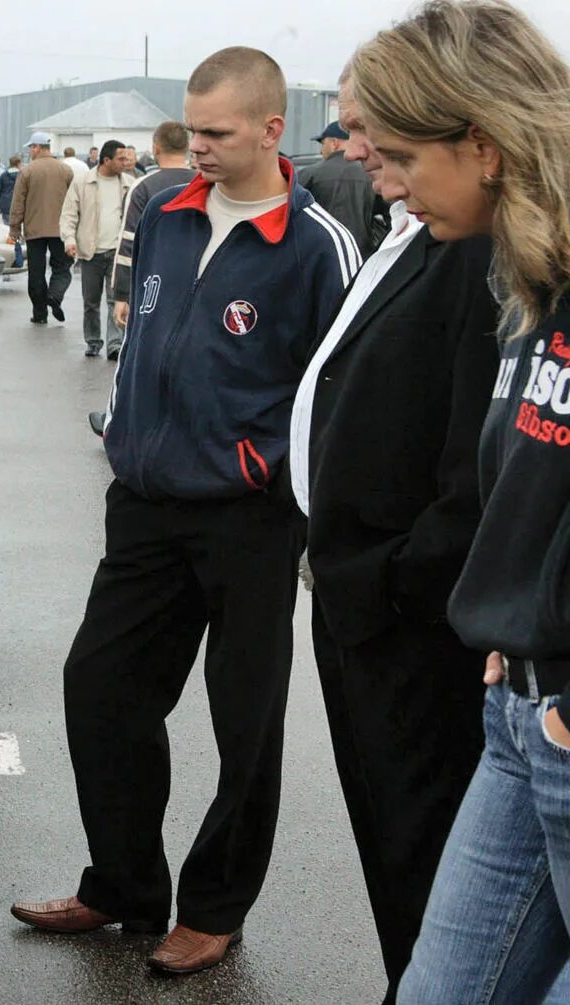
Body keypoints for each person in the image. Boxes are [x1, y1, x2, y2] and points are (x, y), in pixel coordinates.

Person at [11, 46, 357, 976]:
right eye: (191, 130)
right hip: (147, 506)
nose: (195, 148)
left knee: (246, 724)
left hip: (249, 518)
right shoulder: (161, 210)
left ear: (271, 130)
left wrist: (265, 466)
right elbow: (140, 337)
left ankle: (213, 907)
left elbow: (341, 393)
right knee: (101, 690)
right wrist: (126, 431)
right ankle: (123, 885)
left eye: (216, 133)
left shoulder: (318, 244)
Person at [346, 3, 570, 1001]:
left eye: (396, 153)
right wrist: (512, 609)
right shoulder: (531, 282)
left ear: (479, 142)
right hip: (515, 711)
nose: (380, 178)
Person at [292, 68, 497, 1005]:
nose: (359, 145)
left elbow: (477, 472)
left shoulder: (474, 250)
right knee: (392, 842)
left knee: (429, 857)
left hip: (408, 618)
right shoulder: (417, 230)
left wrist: (388, 585)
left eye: (378, 129)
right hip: (363, 597)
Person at [87, 120, 199, 436]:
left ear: (156, 148)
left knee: (135, 356)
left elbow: (128, 245)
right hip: (196, 282)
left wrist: (121, 295)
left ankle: (116, 420)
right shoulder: (205, 181)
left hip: (152, 286)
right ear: (188, 147)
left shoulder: (144, 187)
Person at [60, 139, 138, 358]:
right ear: (107, 160)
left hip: (118, 252)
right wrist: (69, 239)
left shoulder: (130, 184)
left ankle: (115, 344)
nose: (126, 162)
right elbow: (68, 214)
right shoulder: (83, 182)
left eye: (127, 158)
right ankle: (93, 341)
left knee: (117, 299)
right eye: (121, 159)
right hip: (91, 251)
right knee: (91, 301)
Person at [7, 130, 74, 325]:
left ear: (37, 147)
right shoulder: (65, 170)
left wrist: (14, 228)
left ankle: (39, 313)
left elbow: (18, 202)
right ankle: (55, 295)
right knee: (62, 267)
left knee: (36, 271)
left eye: (31, 147)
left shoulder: (27, 171)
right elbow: (73, 201)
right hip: (60, 229)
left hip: (34, 230)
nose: (30, 151)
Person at [299, 120, 389, 258]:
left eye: (323, 144)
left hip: (317, 255)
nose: (320, 150)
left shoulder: (308, 174)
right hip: (363, 255)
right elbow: (393, 215)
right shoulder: (372, 175)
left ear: (335, 143)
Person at [0, 154, 25, 268]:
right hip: (20, 205)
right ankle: (20, 253)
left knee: (8, 229)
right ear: (18, 164)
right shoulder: (23, 175)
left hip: (6, 205)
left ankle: (12, 253)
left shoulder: (4, 175)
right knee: (20, 230)